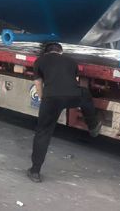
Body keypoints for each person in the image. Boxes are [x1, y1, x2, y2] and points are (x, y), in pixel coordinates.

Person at [27, 42, 102, 183]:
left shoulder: (40, 61)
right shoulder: (71, 61)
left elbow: (38, 83)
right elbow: (75, 81)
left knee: (43, 133)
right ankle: (92, 125)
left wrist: (44, 100)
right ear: (60, 52)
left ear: (46, 52)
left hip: (51, 99)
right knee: (85, 94)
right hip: (72, 96)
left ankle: (35, 171)